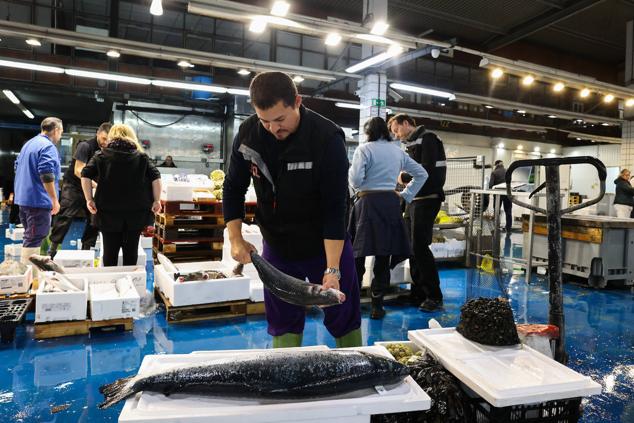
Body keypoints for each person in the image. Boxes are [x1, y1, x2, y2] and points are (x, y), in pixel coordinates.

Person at [223, 71, 361, 348]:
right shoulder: (249, 135)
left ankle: (360, 371)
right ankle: (284, 377)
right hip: (278, 245)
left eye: (280, 119)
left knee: (342, 312)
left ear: (297, 101)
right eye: (265, 121)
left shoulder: (326, 138)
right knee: (282, 317)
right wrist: (235, 238)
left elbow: (336, 206)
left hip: (324, 244)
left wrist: (333, 269)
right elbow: (233, 187)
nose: (274, 128)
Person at [348, 117, 427, 319]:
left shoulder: (364, 150)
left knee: (358, 255)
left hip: (366, 203)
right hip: (390, 204)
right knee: (383, 255)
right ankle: (377, 304)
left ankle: (353, 302)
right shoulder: (397, 151)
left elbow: (356, 179)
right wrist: (407, 195)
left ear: (368, 133)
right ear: (386, 131)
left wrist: (359, 183)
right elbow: (422, 173)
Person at [81, 124, 162, 266]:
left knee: (109, 253)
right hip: (136, 214)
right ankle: (130, 284)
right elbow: (156, 176)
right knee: (131, 253)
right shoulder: (141, 157)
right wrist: (157, 200)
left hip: (108, 213)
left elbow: (85, 174)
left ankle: (110, 284)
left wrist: (89, 199)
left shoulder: (101, 155)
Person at [388, 114, 446, 313]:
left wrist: (403, 177)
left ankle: (434, 296)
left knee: (420, 247)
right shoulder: (412, 144)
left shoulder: (428, 138)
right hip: (414, 201)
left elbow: (426, 170)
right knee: (411, 248)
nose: (396, 135)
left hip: (428, 199)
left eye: (396, 130)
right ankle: (419, 291)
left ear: (406, 123)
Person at [48, 122, 112, 257]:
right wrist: (96, 185)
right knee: (66, 215)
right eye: (104, 138)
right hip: (74, 186)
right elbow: (78, 170)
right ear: (98, 134)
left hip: (92, 187)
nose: (106, 142)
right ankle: (52, 250)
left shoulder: (108, 151)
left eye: (109, 140)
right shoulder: (85, 146)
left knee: (94, 218)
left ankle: (86, 251)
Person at [14, 117, 63, 265]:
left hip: (24, 199)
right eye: (61, 132)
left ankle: (28, 277)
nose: (60, 136)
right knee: (34, 238)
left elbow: (17, 167)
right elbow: (46, 173)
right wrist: (54, 200)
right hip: (38, 201)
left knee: (30, 236)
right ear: (56, 130)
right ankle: (30, 279)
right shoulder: (48, 147)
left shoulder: (28, 144)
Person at [489, 160, 513, 232]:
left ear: (496, 165)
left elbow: (490, 185)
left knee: (496, 211)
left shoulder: (494, 172)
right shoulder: (507, 171)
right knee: (508, 211)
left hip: (497, 195)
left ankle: (496, 227)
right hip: (507, 194)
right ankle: (508, 228)